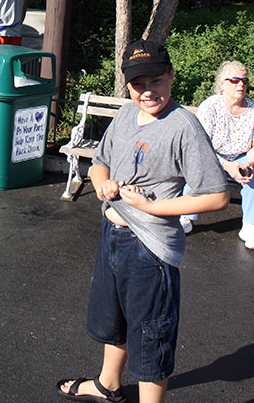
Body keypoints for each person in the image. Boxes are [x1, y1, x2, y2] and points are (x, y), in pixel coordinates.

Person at [57, 40, 229, 403]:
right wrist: (102, 182)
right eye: (138, 84)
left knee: (152, 336)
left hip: (150, 248)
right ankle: (109, 384)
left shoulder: (184, 126)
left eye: (156, 81)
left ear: (170, 75)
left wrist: (152, 208)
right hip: (112, 234)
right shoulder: (124, 115)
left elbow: (216, 196)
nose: (147, 91)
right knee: (112, 318)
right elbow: (100, 161)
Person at [180, 60, 254, 250]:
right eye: (235, 80)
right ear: (222, 84)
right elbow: (201, 145)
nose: (241, 85)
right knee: (199, 165)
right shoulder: (210, 106)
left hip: (242, 156)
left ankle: (251, 226)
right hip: (213, 156)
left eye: (244, 81)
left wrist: (249, 164)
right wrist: (226, 165)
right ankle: (186, 215)